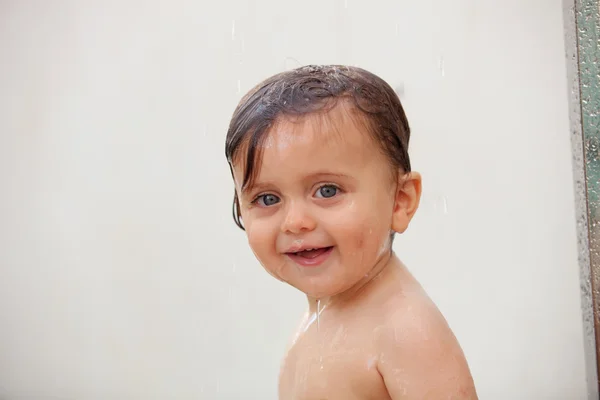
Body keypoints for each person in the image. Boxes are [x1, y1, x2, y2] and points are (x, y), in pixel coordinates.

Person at [225, 65, 477, 399]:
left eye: (327, 191)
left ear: (400, 201)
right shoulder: (324, 313)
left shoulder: (405, 332)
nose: (295, 221)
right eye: (268, 198)